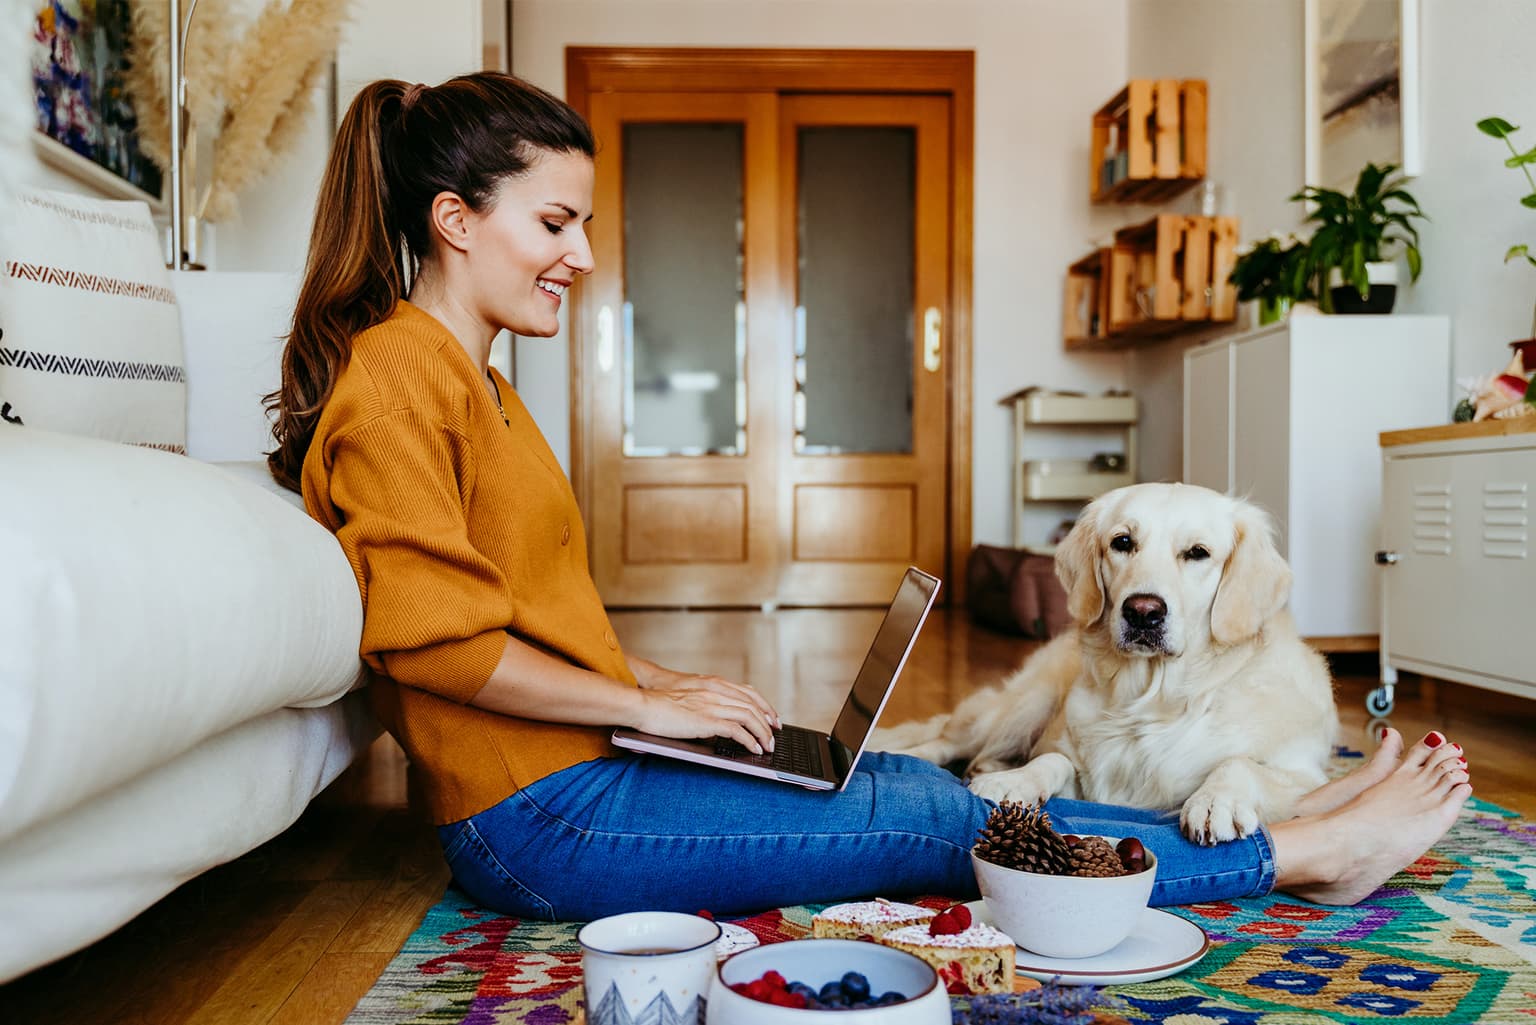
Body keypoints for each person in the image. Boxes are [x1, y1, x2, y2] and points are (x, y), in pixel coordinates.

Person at [267, 71, 1473, 921]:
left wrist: (653, 688)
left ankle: (1301, 807)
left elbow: (516, 614)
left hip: (584, 762)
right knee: (940, 833)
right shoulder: (397, 382)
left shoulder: (472, 380)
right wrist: (648, 704)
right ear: (453, 220)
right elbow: (433, 648)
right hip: (539, 825)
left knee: (914, 781)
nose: (582, 252)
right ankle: (1300, 851)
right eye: (555, 221)